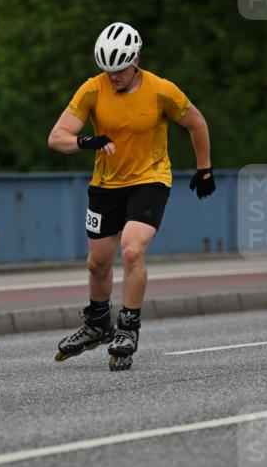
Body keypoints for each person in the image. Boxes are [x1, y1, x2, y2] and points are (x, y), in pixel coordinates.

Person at [48, 21, 215, 370]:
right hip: (107, 184)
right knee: (98, 263)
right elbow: (57, 136)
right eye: (106, 70)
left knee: (132, 248)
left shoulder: (161, 91)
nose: (113, 76)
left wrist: (205, 169)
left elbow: (196, 123)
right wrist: (85, 141)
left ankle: (128, 327)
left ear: (136, 58)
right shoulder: (93, 90)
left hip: (150, 180)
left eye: (120, 68)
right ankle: (97, 324)